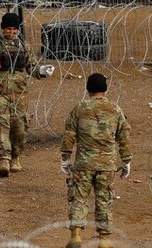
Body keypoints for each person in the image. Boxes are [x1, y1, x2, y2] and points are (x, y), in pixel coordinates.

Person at [60, 73, 132, 248]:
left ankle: (76, 235)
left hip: (83, 163)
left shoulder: (79, 108)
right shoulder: (115, 109)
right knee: (104, 200)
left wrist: (65, 157)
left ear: (88, 89)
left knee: (79, 198)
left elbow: (69, 134)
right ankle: (104, 240)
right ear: (105, 89)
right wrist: (126, 160)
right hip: (107, 165)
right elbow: (124, 136)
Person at [0, 12, 54, 177]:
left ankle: (15, 156)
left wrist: (42, 71)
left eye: (14, 29)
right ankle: (4, 159)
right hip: (0, 91)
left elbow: (31, 67)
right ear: (3, 28)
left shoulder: (23, 46)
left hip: (19, 93)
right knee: (2, 125)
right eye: (8, 29)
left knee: (19, 128)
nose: (11, 32)